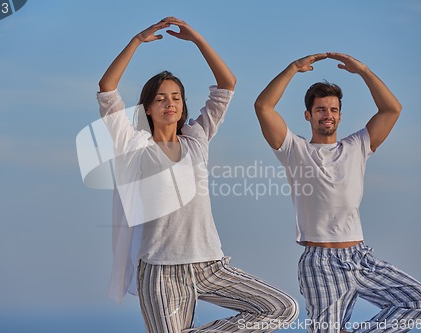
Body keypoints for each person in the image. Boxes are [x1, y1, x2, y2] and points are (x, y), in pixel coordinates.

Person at [97, 17, 298, 333]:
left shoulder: (197, 138)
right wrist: (136, 40)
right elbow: (107, 89)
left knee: (281, 309)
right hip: (160, 271)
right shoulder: (133, 144)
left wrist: (198, 40)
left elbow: (227, 84)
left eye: (176, 97)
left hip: (209, 264)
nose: (170, 103)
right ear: (147, 108)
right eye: (161, 98)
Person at [254, 52, 421, 333]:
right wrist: (292, 68)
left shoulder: (357, 145)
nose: (328, 115)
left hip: (360, 257)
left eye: (333, 110)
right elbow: (263, 107)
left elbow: (391, 109)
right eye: (321, 109)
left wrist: (363, 70)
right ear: (308, 115)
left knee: (420, 301)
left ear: (340, 114)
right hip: (321, 262)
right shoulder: (294, 150)